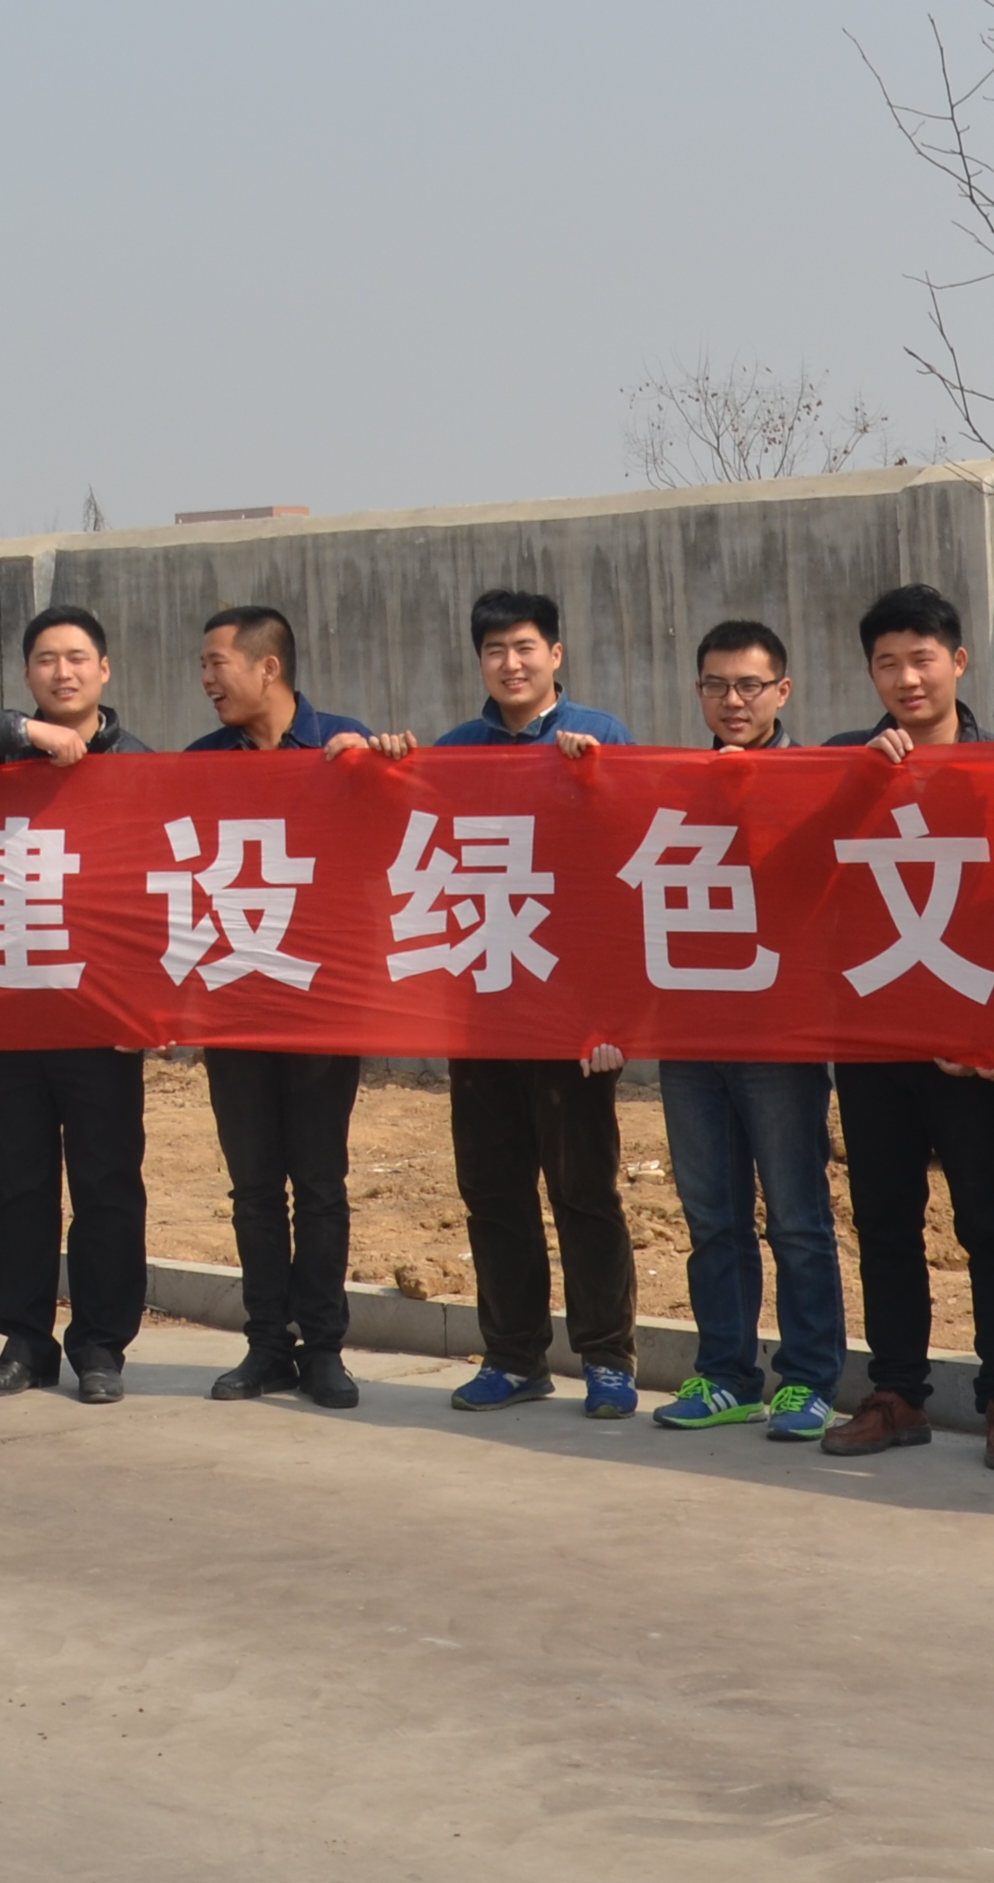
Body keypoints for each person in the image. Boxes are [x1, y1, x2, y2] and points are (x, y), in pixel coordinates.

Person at [818, 583, 994, 1462]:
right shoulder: (844, 762)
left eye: (922, 660)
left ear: (958, 661)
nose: (907, 679)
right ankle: (896, 1394)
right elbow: (789, 864)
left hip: (971, 1043)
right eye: (888, 664)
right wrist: (854, 783)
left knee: (990, 1218)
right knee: (883, 1218)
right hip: (874, 1033)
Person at [0, 605, 157, 1406]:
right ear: (27, 675)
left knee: (107, 1186)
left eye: (78, 657)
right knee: (20, 1189)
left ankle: (101, 1346)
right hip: (12, 1010)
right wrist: (27, 734)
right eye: (47, 659)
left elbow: (159, 898)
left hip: (101, 1020)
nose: (63, 672)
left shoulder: (140, 765)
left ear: (105, 670)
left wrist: (149, 1010)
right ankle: (25, 1342)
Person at [430, 588, 644, 1422]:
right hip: (483, 1005)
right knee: (494, 1193)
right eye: (494, 650)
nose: (510, 664)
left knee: (584, 1192)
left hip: (573, 1017)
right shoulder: (456, 751)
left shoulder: (602, 736)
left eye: (524, 647)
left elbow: (627, 872)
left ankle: (608, 1358)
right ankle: (513, 1357)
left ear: (555, 654)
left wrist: (599, 780)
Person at [185, 605, 397, 1410]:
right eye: (203, 667)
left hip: (320, 1005)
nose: (207, 680)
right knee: (252, 1187)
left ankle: (325, 1348)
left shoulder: (345, 746)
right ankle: (267, 1345)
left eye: (217, 664)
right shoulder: (200, 764)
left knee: (319, 1182)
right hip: (236, 1002)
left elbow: (393, 845)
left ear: (266, 666)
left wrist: (385, 767)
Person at [650, 623, 846, 1443]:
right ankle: (725, 1373)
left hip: (780, 1039)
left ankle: (808, 1380)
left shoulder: (818, 783)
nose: (732, 701)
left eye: (749, 686)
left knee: (796, 1217)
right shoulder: (673, 788)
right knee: (712, 1218)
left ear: (782, 692)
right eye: (715, 685)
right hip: (692, 1035)